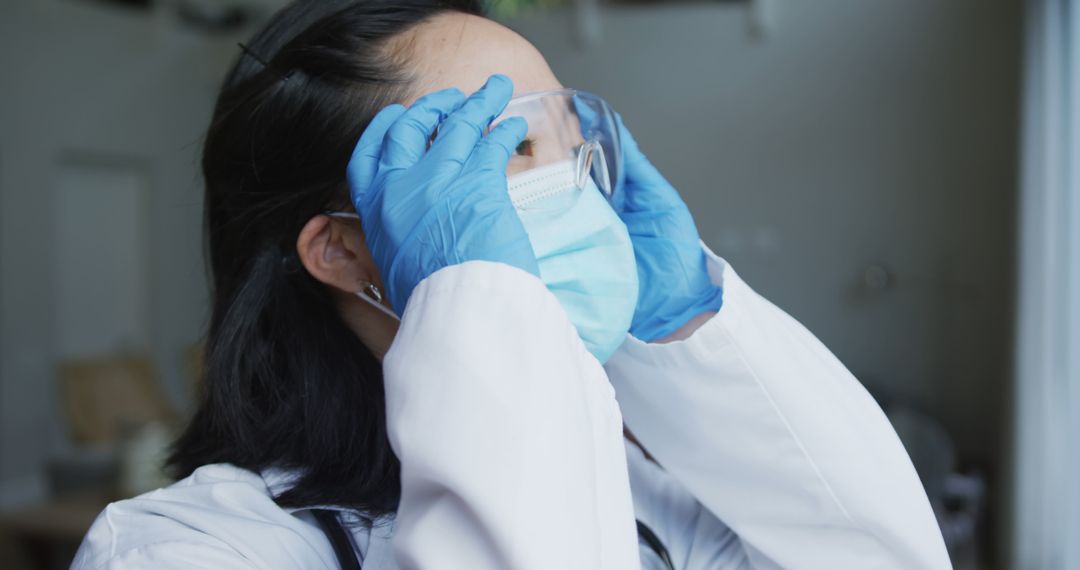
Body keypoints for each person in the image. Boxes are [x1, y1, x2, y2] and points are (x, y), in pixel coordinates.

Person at [72, 1, 952, 568]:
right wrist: (480, 303)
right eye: (503, 149)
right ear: (342, 249)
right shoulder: (183, 553)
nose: (570, 183)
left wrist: (692, 329)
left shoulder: (660, 512)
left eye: (569, 141)